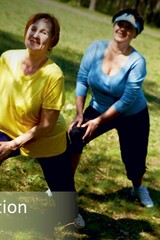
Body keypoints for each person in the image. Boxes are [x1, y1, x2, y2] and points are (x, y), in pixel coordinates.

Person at [0, 13, 85, 228]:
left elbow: (47, 124)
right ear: (26, 30)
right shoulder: (7, 58)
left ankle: (70, 213)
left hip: (46, 138)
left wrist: (14, 144)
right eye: (33, 28)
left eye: (44, 32)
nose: (36, 34)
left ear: (52, 41)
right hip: (10, 130)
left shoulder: (53, 75)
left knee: (61, 185)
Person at [68, 9, 154, 207]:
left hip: (132, 114)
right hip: (98, 107)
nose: (122, 29)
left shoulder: (137, 62)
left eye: (129, 27)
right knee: (75, 135)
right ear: (114, 24)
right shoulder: (96, 48)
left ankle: (138, 187)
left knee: (134, 160)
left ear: (135, 33)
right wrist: (80, 114)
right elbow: (82, 79)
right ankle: (64, 186)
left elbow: (126, 100)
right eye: (120, 24)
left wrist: (98, 121)